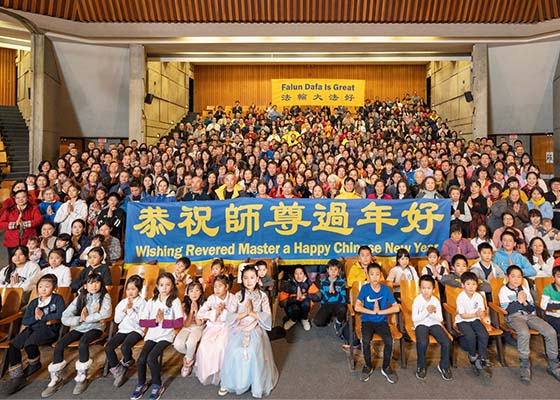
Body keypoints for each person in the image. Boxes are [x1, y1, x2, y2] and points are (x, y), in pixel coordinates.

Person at [42, 272, 112, 397]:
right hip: (80, 327)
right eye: (90, 283)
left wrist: (87, 318)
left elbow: (105, 313)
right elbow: (65, 316)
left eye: (97, 282)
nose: (94, 285)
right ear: (85, 286)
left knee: (83, 343)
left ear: (101, 284)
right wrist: (79, 319)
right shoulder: (80, 297)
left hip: (96, 328)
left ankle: (82, 376)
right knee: (59, 345)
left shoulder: (104, 296)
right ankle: (56, 378)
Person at [219, 266, 279, 398]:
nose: (249, 281)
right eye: (245, 278)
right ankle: (232, 382)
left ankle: (255, 383)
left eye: (252, 277)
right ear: (242, 280)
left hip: (255, 329)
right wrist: (243, 314)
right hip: (240, 329)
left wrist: (252, 313)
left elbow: (267, 316)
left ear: (258, 279)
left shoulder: (262, 296)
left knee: (252, 352)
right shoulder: (238, 296)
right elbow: (230, 316)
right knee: (234, 351)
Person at [499, 265, 560, 382]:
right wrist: (519, 301)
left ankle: (554, 364)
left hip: (529, 315)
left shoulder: (525, 289)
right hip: (514, 317)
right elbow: (507, 310)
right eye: (513, 276)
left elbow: (531, 307)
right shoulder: (504, 290)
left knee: (550, 331)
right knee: (524, 333)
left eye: (519, 277)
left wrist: (525, 303)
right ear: (507, 278)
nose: (516, 279)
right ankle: (524, 365)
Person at [5, 274, 64, 395]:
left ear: (54, 288)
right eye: (40, 286)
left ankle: (34, 363)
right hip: (33, 328)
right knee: (13, 345)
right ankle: (17, 376)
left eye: (47, 286)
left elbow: (60, 315)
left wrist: (43, 317)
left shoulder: (57, 299)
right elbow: (26, 321)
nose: (43, 289)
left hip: (49, 328)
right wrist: (38, 318)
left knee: (29, 344)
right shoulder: (33, 303)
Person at [131, 272, 183, 400]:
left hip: (166, 335)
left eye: (167, 285)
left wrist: (164, 322)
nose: (164, 288)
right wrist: (155, 321)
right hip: (152, 335)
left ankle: (157, 385)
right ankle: (141, 383)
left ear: (172, 286)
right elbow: (142, 321)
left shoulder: (175, 301)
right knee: (141, 359)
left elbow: (179, 322)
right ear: (157, 286)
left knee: (151, 357)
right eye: (161, 285)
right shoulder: (151, 301)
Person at [355, 263, 400, 383]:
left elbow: (396, 308)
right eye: (372, 274)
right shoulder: (365, 288)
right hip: (367, 321)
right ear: (368, 276)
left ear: (381, 276)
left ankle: (386, 367)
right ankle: (368, 366)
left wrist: (380, 312)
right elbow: (357, 307)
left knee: (389, 341)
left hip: (382, 321)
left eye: (377, 274)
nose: (374, 277)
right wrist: (371, 311)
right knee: (365, 340)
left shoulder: (385, 289)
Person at [196, 275, 238, 386]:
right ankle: (209, 373)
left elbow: (234, 315)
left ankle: (222, 373)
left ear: (227, 286)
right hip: (212, 326)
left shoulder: (233, 298)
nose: (217, 289)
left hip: (227, 326)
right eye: (215, 287)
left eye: (220, 286)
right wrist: (215, 312)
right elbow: (201, 313)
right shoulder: (211, 298)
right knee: (204, 346)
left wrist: (222, 312)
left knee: (221, 347)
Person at [105, 275, 146, 387]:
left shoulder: (142, 303)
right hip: (123, 330)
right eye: (128, 289)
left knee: (125, 347)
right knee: (109, 347)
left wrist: (131, 311)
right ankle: (118, 370)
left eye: (133, 289)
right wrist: (124, 311)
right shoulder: (122, 302)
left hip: (136, 330)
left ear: (139, 289)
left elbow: (142, 322)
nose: (130, 292)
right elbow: (117, 320)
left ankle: (127, 360)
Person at [412, 275, 453, 381]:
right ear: (420, 288)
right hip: (421, 324)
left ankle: (443, 366)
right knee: (422, 342)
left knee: (447, 342)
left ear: (433, 289)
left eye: (429, 288)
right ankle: (421, 365)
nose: (426, 291)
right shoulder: (417, 300)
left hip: (434, 323)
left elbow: (440, 318)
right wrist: (427, 311)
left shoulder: (435, 300)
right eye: (423, 288)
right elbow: (415, 318)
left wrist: (432, 313)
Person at [455, 271, 492, 378]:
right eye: (468, 284)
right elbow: (462, 315)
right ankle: (472, 355)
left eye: (474, 284)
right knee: (470, 335)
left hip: (475, 319)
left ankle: (482, 357)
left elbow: (481, 312)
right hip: (462, 320)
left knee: (483, 334)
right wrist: (476, 314)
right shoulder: (460, 297)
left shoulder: (479, 296)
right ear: (463, 285)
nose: (471, 287)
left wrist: (481, 314)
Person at [174, 281, 205, 377]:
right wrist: (191, 311)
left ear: (201, 292)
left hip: (199, 327)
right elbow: (186, 324)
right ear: (187, 293)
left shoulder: (204, 303)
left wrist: (196, 312)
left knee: (191, 342)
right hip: (187, 327)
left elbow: (200, 323)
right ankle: (191, 355)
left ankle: (187, 363)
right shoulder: (184, 305)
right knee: (178, 344)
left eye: (197, 290)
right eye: (191, 291)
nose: (194, 293)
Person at [0, 189, 43, 259]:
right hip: (12, 240)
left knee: (28, 260)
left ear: (27, 198)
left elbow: (39, 220)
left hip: (29, 240)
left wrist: (25, 224)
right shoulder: (9, 210)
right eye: (18, 198)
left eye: (23, 197)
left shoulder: (33, 208)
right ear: (15, 199)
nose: (20, 199)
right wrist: (14, 225)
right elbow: (1, 223)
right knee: (13, 261)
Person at [279, 266, 320, 331]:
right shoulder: (288, 285)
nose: (299, 276)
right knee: (295, 308)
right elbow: (282, 302)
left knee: (306, 302)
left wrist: (306, 296)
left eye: (301, 273)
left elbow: (318, 297)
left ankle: (304, 319)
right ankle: (292, 320)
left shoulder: (308, 283)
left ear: (304, 274)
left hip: (305, 308)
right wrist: (294, 299)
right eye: (296, 274)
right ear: (293, 275)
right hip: (292, 308)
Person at [313, 259, 347, 334]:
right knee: (317, 322)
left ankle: (338, 322)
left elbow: (343, 299)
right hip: (327, 305)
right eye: (331, 269)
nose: (333, 272)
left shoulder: (342, 282)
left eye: (335, 269)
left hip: (338, 305)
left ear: (339, 271)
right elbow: (323, 299)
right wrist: (329, 292)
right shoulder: (323, 282)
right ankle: (329, 318)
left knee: (343, 309)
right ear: (327, 270)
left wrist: (334, 292)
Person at [540, 266, 560, 348]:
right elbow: (543, 305)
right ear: (553, 278)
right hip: (552, 316)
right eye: (559, 276)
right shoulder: (548, 289)